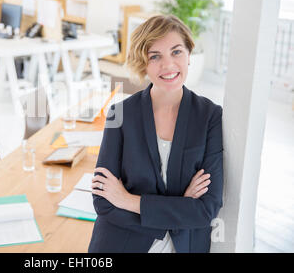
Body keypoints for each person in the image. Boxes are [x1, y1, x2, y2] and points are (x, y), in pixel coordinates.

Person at [88, 14, 223, 253]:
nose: (168, 65)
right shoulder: (119, 115)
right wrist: (180, 208)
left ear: (189, 54)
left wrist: (128, 200)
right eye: (155, 56)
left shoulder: (209, 116)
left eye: (176, 52)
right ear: (143, 63)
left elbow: (205, 210)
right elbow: (103, 201)